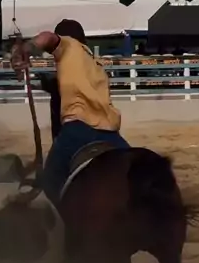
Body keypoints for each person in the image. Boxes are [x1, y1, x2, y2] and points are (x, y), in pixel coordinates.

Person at [11, 19, 130, 206]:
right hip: (111, 134)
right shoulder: (95, 63)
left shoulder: (69, 46)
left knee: (48, 189)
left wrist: (27, 48)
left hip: (78, 130)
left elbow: (48, 38)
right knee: (136, 175)